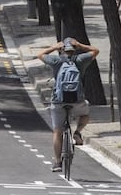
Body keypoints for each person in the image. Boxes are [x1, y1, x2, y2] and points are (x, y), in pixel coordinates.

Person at [37, 37, 99, 172]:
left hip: (58, 101)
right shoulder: (81, 60)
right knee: (85, 114)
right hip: (77, 100)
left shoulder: (56, 61)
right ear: (74, 49)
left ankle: (57, 162)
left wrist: (54, 47)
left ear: (62, 49)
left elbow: (40, 54)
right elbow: (96, 50)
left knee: (57, 131)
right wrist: (80, 45)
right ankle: (77, 132)